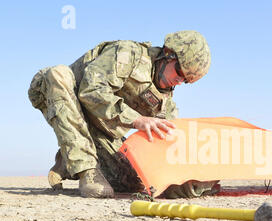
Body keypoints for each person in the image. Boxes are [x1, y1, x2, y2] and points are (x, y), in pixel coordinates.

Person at [29, 30, 219, 198]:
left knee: (132, 180)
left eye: (185, 80)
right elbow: (91, 91)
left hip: (101, 127)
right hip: (64, 96)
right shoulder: (128, 54)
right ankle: (86, 169)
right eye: (179, 71)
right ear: (168, 54)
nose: (178, 81)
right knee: (58, 74)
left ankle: (68, 160)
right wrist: (136, 120)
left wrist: (194, 176)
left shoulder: (165, 101)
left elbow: (167, 145)